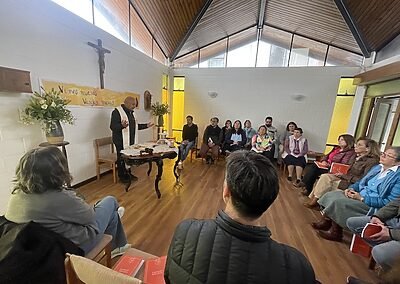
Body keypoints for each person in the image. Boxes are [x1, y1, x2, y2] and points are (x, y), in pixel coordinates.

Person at [164, 151, 316, 284]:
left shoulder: (185, 232)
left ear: (226, 192)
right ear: (270, 200)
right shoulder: (297, 266)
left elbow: (168, 276)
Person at [5, 147, 130, 257]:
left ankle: (117, 242)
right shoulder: (58, 197)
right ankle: (113, 223)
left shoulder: (16, 194)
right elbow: (90, 217)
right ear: (56, 171)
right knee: (110, 201)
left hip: (37, 249)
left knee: (111, 215)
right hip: (71, 248)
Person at [311, 147, 400, 242]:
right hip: (360, 194)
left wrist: (361, 198)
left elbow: (389, 202)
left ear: (397, 162)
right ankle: (327, 222)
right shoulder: (378, 167)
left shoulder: (397, 176)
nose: (382, 155)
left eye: (388, 155)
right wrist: (351, 188)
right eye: (383, 153)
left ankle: (336, 232)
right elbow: (362, 182)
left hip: (372, 204)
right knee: (332, 194)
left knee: (339, 202)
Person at [304, 138, 380, 209]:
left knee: (325, 178)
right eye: (356, 144)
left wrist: (344, 176)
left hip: (351, 182)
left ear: (367, 149)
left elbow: (363, 180)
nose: (356, 146)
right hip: (345, 176)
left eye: (359, 145)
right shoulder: (355, 156)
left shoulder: (372, 161)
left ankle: (315, 201)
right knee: (325, 176)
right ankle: (315, 200)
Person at [347, 198, 400, 272]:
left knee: (379, 252)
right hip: (396, 221)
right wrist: (378, 216)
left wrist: (391, 233)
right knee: (353, 223)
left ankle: (392, 276)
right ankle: (389, 268)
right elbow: (397, 202)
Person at [110, 96, 154, 183]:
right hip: (120, 140)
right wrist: (122, 126)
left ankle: (128, 173)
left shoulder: (132, 113)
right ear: (126, 103)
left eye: (135, 104)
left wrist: (146, 126)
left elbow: (135, 126)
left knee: (129, 156)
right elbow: (112, 127)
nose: (134, 106)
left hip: (131, 140)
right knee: (122, 157)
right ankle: (122, 176)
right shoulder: (116, 112)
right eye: (133, 104)